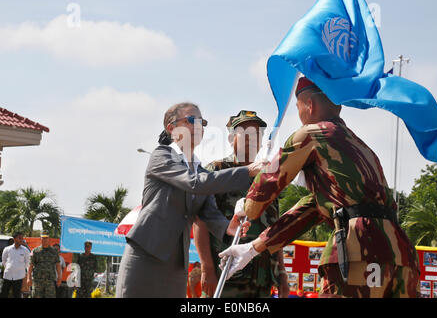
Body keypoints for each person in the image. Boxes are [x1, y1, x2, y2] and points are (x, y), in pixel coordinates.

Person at [219, 77, 420, 298]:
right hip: (401, 255)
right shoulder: (361, 147)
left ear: (309, 105)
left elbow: (270, 180)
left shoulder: (311, 134)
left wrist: (247, 206)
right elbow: (313, 208)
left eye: (298, 108)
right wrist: (253, 247)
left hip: (359, 249)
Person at [116, 102, 264, 298]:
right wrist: (247, 171)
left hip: (176, 263)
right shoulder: (161, 156)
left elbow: (208, 213)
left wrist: (228, 227)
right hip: (145, 254)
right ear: (171, 128)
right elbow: (195, 183)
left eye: (202, 122)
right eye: (192, 120)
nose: (198, 126)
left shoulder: (200, 170)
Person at [194, 110, 289, 298]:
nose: (251, 138)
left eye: (256, 134)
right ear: (230, 138)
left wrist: (282, 273)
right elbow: (200, 222)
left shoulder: (269, 178)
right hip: (226, 276)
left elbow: (274, 229)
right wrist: (207, 269)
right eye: (244, 133)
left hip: (262, 278)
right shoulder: (217, 171)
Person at [27, 231, 62, 298]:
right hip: (38, 280)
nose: (45, 240)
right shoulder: (35, 251)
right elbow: (31, 265)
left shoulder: (54, 251)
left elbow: (58, 265)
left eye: (46, 238)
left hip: (50, 281)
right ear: (40, 238)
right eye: (43, 238)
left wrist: (59, 278)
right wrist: (29, 278)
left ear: (49, 239)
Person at [1, 232, 30, 298]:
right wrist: (9, 267)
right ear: (14, 239)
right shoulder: (7, 249)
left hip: (19, 277)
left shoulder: (25, 250)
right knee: (4, 293)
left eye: (22, 238)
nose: (21, 240)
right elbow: (4, 261)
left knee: (17, 294)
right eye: (19, 238)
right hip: (7, 275)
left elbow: (27, 262)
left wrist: (20, 269)